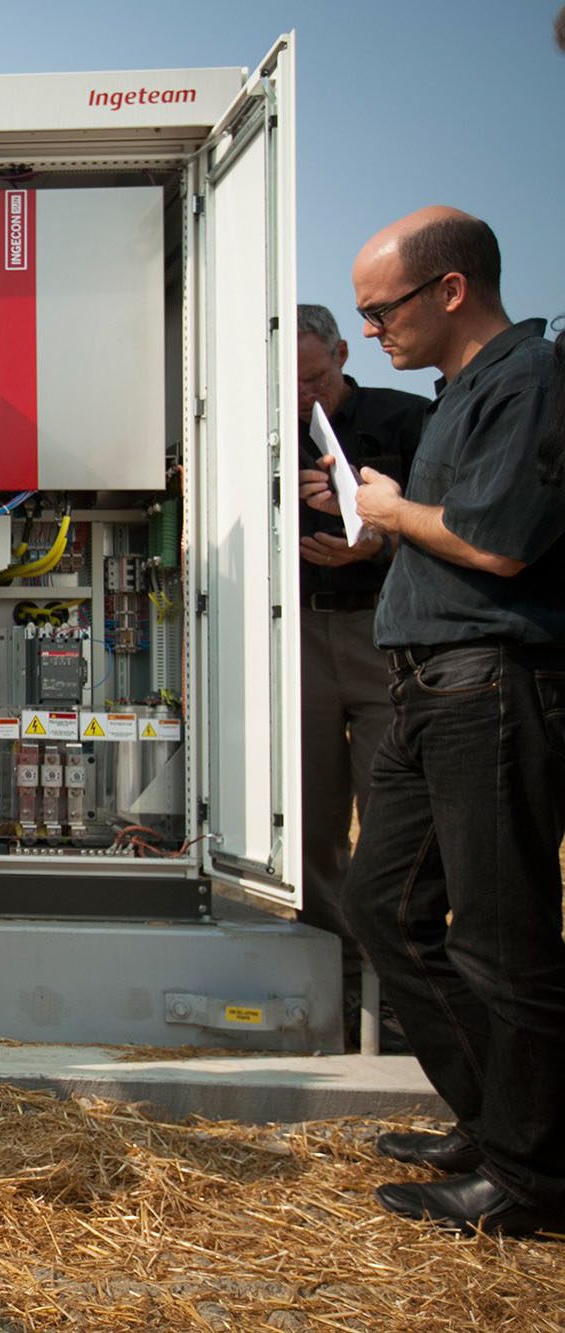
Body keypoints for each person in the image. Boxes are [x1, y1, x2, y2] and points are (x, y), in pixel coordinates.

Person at [303, 207, 565, 1236]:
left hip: (488, 686)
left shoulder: (528, 380)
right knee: (383, 908)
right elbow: (452, 533)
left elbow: (497, 546)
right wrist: (381, 524)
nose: (372, 333)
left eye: (380, 312)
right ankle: (495, 1123)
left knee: (502, 943)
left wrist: (389, 506)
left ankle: (534, 1182)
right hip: (433, 685)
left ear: (448, 289)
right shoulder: (458, 393)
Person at [290, 304, 427, 1038]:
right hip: (298, 633)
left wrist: (373, 544)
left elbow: (453, 530)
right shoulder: (256, 429)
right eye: (289, 379)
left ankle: (403, 998)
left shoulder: (411, 421)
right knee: (311, 821)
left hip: (384, 635)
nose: (303, 392)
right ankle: (340, 990)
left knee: (392, 819)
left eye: (314, 374)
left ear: (343, 352)